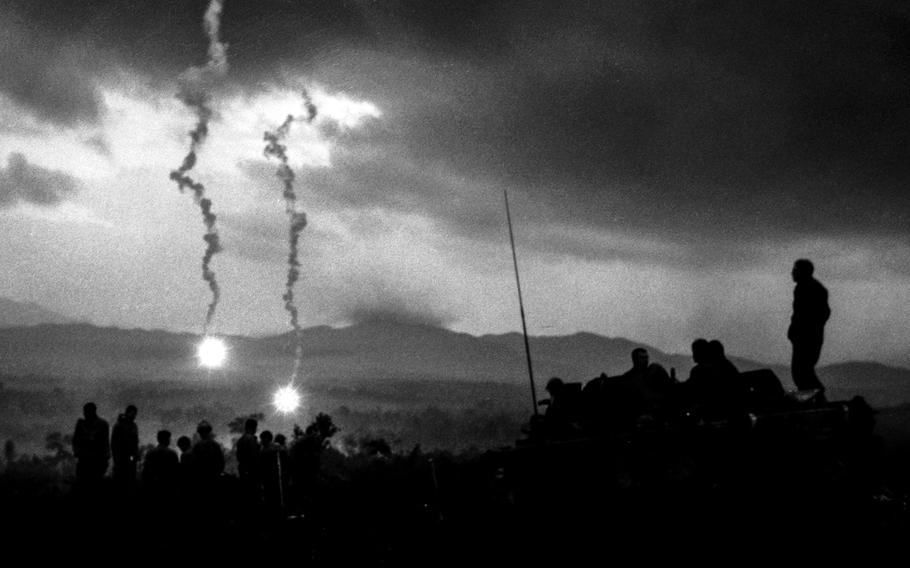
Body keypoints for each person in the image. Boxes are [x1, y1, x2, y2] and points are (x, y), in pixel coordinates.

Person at [788, 259, 830, 398]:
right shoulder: (806, 287)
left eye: (795, 269)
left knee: (801, 372)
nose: (792, 273)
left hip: (807, 339)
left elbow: (820, 313)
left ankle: (816, 398)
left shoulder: (809, 288)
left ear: (803, 271)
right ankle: (814, 398)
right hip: (806, 337)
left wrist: (803, 330)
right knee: (801, 372)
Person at [72, 402, 110, 490]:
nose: (85, 414)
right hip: (85, 459)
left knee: (95, 484)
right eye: (85, 412)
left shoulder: (102, 424)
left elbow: (105, 442)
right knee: (84, 484)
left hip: (97, 459)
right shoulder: (81, 424)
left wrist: (106, 456)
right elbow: (75, 441)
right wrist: (77, 451)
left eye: (87, 412)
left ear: (93, 412)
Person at [142, 430, 179, 499]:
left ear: (158, 439)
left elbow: (146, 471)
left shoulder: (150, 453)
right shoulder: (172, 453)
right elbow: (175, 472)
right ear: (168, 440)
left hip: (153, 486)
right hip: (168, 486)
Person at [111, 404, 139, 488]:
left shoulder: (133, 426)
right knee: (121, 478)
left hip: (131, 457)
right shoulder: (119, 425)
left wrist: (136, 454)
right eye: (133, 413)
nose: (134, 416)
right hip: (121, 457)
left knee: (130, 477)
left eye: (135, 414)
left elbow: (135, 441)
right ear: (127, 413)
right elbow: (114, 443)